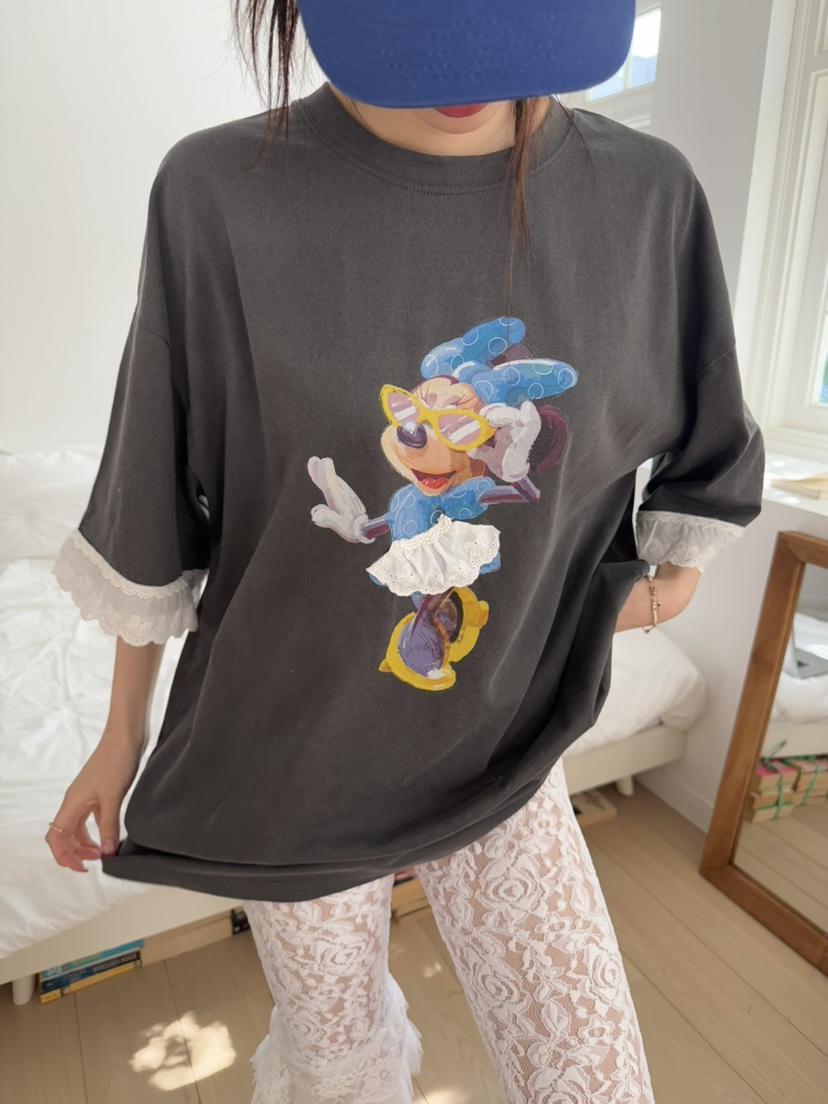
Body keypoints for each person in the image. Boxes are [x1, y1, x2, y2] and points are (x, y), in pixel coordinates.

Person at [44, 1, 765, 1101]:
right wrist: (119, 736)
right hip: (291, 757)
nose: (463, 78)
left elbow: (703, 461)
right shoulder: (215, 193)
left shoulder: (647, 197)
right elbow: (154, 500)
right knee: (342, 1069)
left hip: (507, 750)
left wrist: (632, 603)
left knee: (595, 1081)